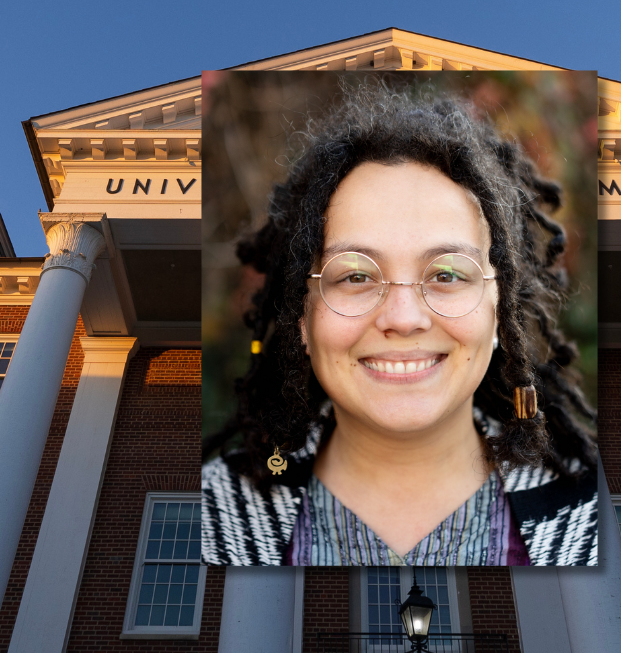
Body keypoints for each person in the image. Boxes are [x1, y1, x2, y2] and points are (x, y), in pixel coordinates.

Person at [202, 78, 598, 566]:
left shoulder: (597, 517)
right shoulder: (208, 517)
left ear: (499, 308)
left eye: (448, 273)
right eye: (355, 277)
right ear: (302, 317)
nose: (403, 318)